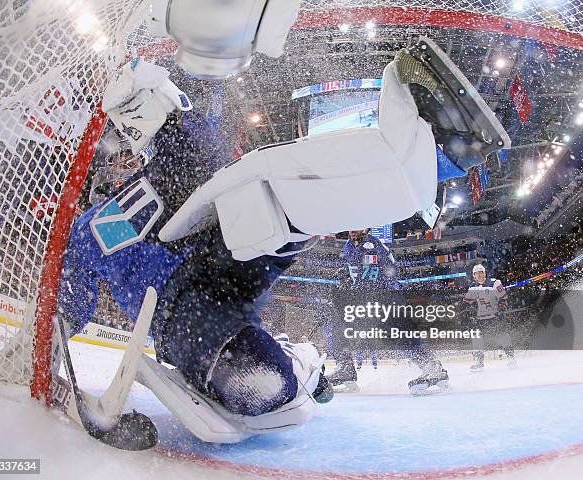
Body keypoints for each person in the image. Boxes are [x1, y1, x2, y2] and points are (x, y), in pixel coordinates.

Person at [55, 30, 508, 442]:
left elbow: (193, 138)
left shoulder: (172, 164)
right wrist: (47, 356)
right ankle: (302, 362)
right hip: (182, 316)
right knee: (266, 387)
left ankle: (442, 149)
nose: (120, 152)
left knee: (275, 199)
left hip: (220, 256)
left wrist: (154, 93)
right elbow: (66, 304)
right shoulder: (87, 228)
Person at [325, 229, 449, 394]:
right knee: (336, 326)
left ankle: (432, 367)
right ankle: (346, 368)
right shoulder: (350, 245)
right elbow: (358, 273)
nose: (354, 230)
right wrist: (347, 277)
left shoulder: (370, 246)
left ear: (367, 228)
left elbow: (370, 280)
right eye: (352, 226)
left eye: (358, 226)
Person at [463, 264, 516, 371]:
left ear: (485, 273)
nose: (479, 275)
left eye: (481, 272)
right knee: (476, 337)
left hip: (495, 315)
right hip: (480, 317)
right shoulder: (473, 287)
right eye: (477, 273)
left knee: (503, 335)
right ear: (474, 275)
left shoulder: (495, 283)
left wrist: (501, 309)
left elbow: (504, 298)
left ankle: (511, 359)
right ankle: (479, 362)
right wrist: (465, 312)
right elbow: (466, 302)